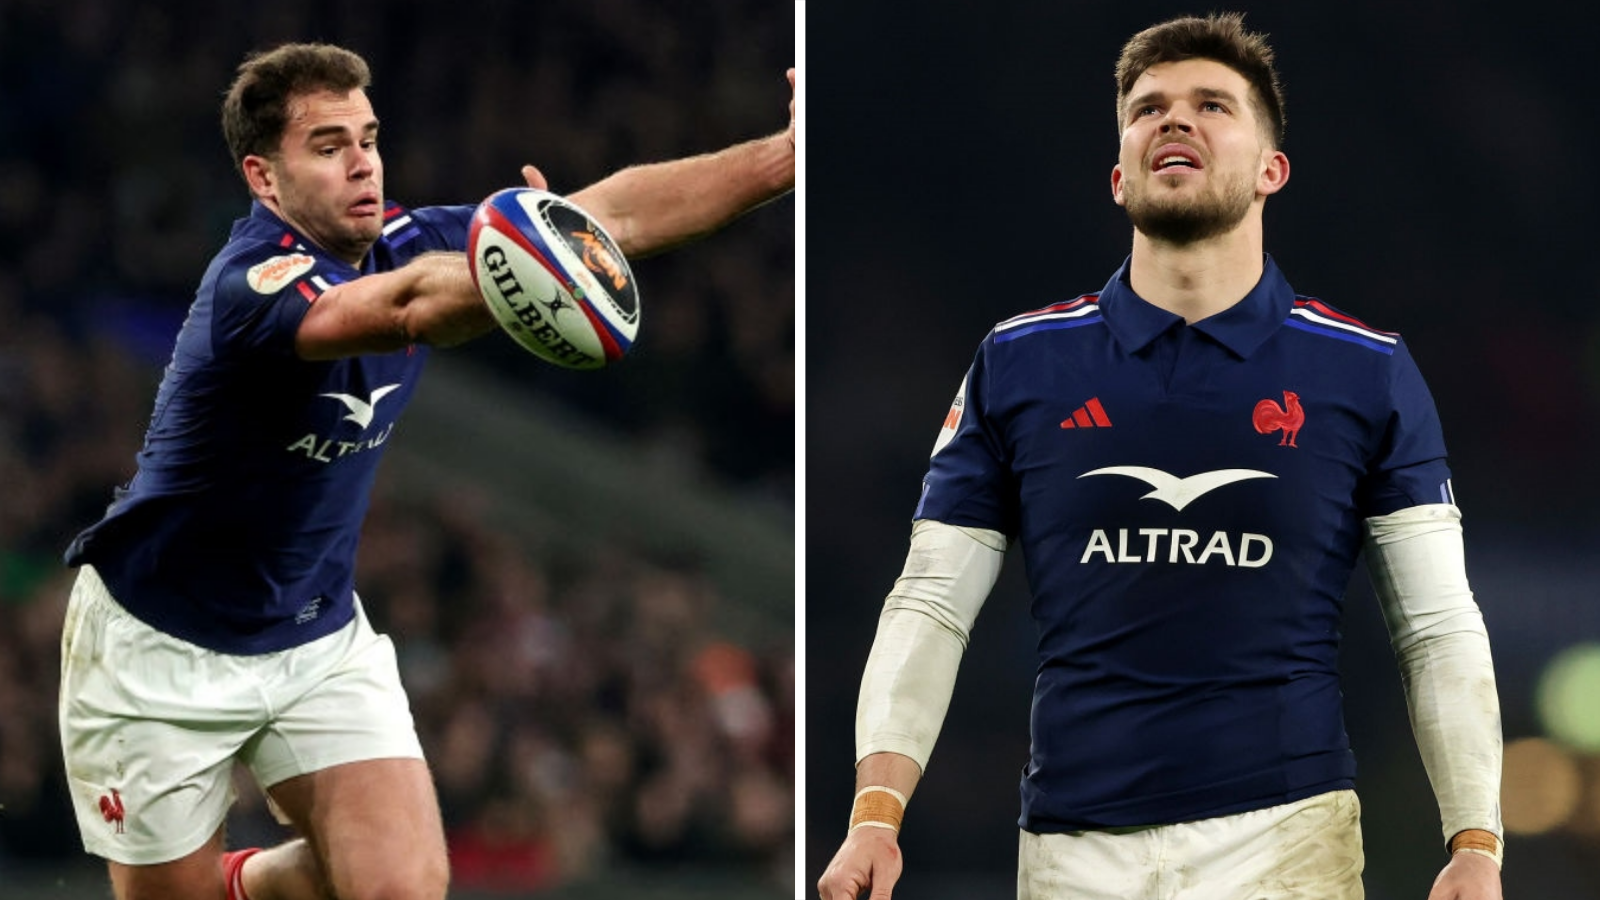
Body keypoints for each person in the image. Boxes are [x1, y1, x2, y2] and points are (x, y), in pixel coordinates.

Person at [57, 42, 794, 900]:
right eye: (328, 147)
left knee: (402, 887)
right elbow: (407, 307)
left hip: (314, 638)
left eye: (368, 138)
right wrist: (524, 269)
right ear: (264, 179)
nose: (362, 162)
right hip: (160, 644)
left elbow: (614, 220)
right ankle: (242, 882)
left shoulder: (412, 237)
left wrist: (784, 157)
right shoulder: (250, 288)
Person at [816, 12, 1502, 900]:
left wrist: (1476, 841)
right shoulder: (1019, 362)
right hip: (1070, 851)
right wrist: (876, 815)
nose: (1173, 121)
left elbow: (1438, 625)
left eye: (1211, 104)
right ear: (1118, 175)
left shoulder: (1366, 372)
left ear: (1271, 170)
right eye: (1147, 109)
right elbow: (932, 602)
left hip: (1287, 843)